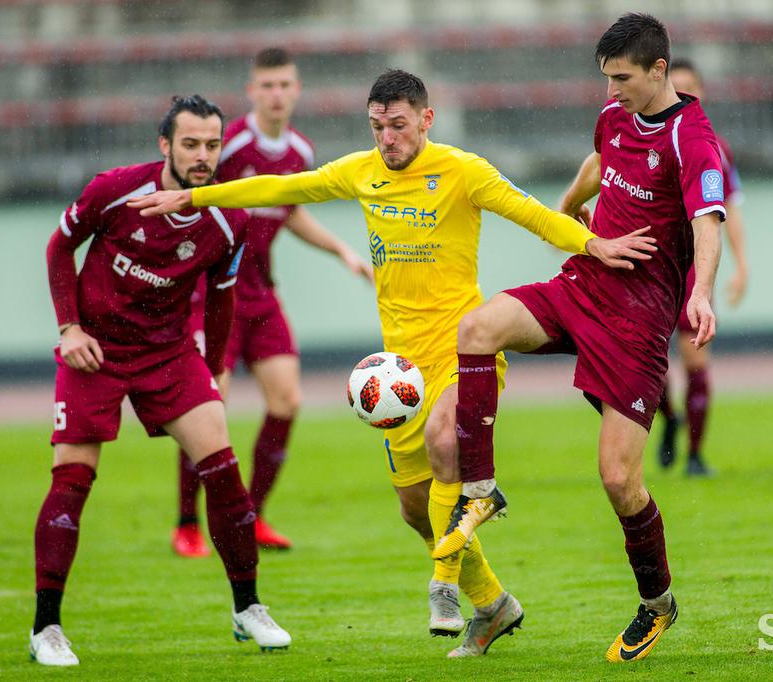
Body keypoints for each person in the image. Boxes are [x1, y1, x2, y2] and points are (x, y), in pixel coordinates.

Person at [129, 69, 656, 658]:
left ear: (426, 120)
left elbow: (531, 212)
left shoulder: (463, 171)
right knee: (415, 509)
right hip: (398, 374)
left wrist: (594, 244)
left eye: (398, 126)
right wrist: (194, 196)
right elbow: (282, 188)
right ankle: (495, 606)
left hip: (465, 353)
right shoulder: (362, 172)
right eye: (377, 126)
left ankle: (444, 586)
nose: (387, 139)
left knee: (444, 440)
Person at [431, 13, 725, 663]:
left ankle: (657, 604)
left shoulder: (694, 140)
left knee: (619, 479)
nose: (613, 91)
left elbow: (709, 220)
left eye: (623, 78)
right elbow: (599, 161)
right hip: (581, 287)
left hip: (639, 325)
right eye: (606, 79)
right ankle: (479, 489)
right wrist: (566, 211)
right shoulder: (615, 114)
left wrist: (700, 291)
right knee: (478, 327)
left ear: (659, 70)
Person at [33, 95, 290, 666]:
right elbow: (60, 246)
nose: (203, 156)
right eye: (191, 144)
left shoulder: (229, 217)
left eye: (213, 145)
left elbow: (221, 299)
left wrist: (217, 367)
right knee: (72, 480)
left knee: (224, 473)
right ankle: (45, 627)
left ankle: (248, 609)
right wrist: (69, 327)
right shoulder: (116, 189)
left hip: (168, 354)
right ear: (165, 145)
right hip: (94, 351)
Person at [172, 48, 373, 558]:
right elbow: (193, 199)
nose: (277, 94)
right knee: (205, 408)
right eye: (268, 85)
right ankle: (188, 524)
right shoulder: (229, 144)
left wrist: (342, 251)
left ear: (297, 89)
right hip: (213, 295)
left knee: (287, 401)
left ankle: (252, 515)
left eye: (285, 84)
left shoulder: (300, 153)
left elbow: (290, 214)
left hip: (261, 293)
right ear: (252, 91)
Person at [655, 57, 749, 476]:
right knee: (649, 368)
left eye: (689, 86)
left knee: (696, 365)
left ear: (701, 92)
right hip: (652, 272)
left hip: (694, 273)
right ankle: (669, 419)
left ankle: (694, 455)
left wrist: (742, 265)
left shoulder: (713, 147)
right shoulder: (647, 141)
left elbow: (726, 207)